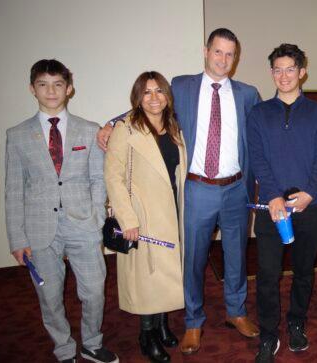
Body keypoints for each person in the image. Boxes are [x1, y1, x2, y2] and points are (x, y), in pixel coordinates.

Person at [96, 28, 261, 354]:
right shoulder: (183, 86)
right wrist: (112, 123)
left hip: (236, 188)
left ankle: (236, 312)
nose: (223, 59)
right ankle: (193, 322)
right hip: (198, 189)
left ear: (235, 57)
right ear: (205, 51)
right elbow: (149, 104)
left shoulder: (247, 93)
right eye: (218, 52)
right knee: (192, 259)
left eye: (230, 54)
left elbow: (261, 130)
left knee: (236, 257)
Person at [5, 59, 118, 363]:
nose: (51, 91)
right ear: (33, 88)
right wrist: (17, 238)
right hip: (38, 228)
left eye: (57, 84)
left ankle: (92, 344)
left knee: (94, 290)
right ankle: (64, 349)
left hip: (84, 224)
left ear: (69, 88)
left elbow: (98, 178)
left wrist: (96, 217)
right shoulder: (16, 135)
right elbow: (13, 190)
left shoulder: (89, 130)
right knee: (50, 295)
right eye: (43, 84)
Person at [248, 43, 317, 362]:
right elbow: (256, 157)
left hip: (309, 207)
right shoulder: (258, 113)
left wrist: (311, 192)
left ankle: (297, 323)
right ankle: (269, 335)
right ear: (272, 73)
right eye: (278, 69)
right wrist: (271, 195)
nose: (284, 76)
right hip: (272, 208)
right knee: (267, 274)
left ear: (302, 72)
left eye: (290, 69)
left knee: (303, 271)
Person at [104, 71, 186, 363]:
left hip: (172, 212)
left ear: (167, 96)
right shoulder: (126, 128)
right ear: (137, 97)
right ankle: (146, 334)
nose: (154, 98)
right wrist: (127, 219)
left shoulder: (174, 126)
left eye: (159, 91)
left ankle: (163, 325)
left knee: (164, 274)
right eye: (147, 92)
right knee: (147, 277)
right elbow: (113, 177)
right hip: (142, 215)